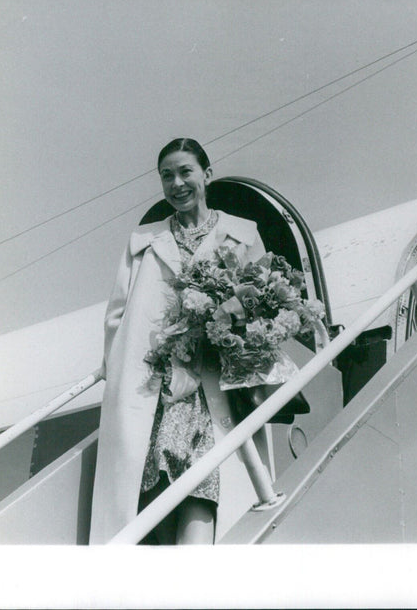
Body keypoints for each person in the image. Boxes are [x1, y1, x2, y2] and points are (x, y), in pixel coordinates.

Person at [89, 137, 273, 545]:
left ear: (207, 174)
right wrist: (111, 366)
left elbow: (262, 302)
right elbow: (116, 316)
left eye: (185, 172)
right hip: (157, 385)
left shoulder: (242, 236)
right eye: (166, 176)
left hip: (214, 386)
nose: (177, 183)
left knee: (207, 477)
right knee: (152, 479)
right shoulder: (143, 242)